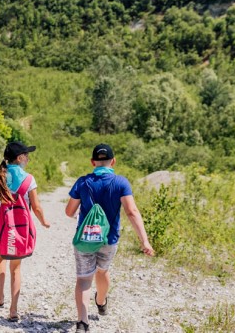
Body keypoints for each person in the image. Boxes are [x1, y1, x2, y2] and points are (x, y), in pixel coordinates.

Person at [65, 143, 155, 333]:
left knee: (83, 280)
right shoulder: (121, 182)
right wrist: (144, 240)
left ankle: (82, 323)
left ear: (92, 162)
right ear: (113, 161)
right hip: (109, 239)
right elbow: (131, 211)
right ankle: (101, 301)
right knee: (103, 271)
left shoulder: (82, 182)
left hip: (85, 239)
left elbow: (69, 211)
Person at [0, 141, 51, 322]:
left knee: (1, 257)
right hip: (21, 231)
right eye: (26, 156)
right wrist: (44, 221)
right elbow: (36, 207)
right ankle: (13, 309)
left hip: (3, 229)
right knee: (16, 267)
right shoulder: (29, 179)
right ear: (20, 158)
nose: (28, 159)